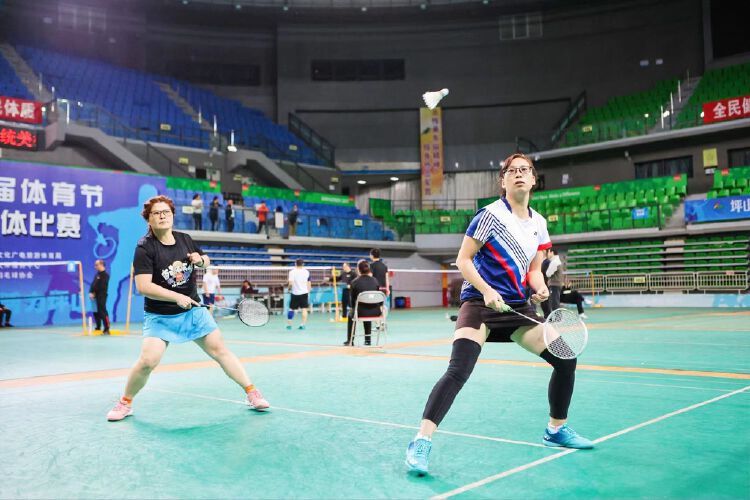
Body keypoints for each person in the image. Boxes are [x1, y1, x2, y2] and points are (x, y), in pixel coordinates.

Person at [404, 153, 593, 476]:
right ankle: (421, 441)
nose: (519, 174)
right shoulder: (489, 215)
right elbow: (463, 260)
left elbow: (534, 268)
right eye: (512, 170)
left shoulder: (539, 223)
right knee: (458, 369)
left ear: (533, 179)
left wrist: (540, 287)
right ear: (503, 180)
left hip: (517, 307)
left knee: (566, 359)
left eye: (525, 170)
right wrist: (487, 290)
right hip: (480, 303)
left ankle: (556, 429)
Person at [105, 195, 269, 422]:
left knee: (220, 350)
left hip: (193, 311)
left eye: (166, 212)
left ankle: (252, 392)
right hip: (160, 315)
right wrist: (176, 297)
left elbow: (206, 260)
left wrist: (200, 260)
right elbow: (143, 286)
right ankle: (125, 403)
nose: (162, 216)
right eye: (156, 213)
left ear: (172, 215)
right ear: (149, 219)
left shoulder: (185, 239)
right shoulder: (144, 248)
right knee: (147, 361)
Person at [344, 260, 383, 346]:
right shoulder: (375, 281)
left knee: (351, 313)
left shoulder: (354, 282)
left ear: (358, 269)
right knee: (368, 307)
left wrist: (353, 308)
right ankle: (368, 340)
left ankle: (350, 340)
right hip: (376, 312)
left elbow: (352, 302)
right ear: (369, 269)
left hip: (360, 312)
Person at [286, 258, 311, 330]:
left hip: (295, 293)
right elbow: (309, 283)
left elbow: (290, 283)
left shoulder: (292, 272)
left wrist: (289, 289)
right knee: (304, 309)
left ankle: (289, 325)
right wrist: (308, 291)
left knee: (291, 309)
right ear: (303, 264)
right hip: (304, 293)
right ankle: (302, 325)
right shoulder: (307, 272)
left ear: (295, 263)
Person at [89, 259, 110, 335]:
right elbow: (93, 284)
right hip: (95, 296)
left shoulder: (105, 275)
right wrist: (91, 292)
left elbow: (101, 286)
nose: (95, 267)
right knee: (96, 312)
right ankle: (98, 327)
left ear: (101, 265)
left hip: (102, 296)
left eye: (96, 265)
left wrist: (94, 292)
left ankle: (107, 328)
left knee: (102, 311)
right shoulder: (97, 275)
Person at [545, 248, 564, 315]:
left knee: (554, 302)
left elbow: (548, 274)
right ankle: (557, 317)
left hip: (554, 284)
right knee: (555, 302)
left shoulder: (554, 262)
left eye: (548, 252)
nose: (547, 254)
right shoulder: (556, 261)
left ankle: (558, 318)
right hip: (556, 284)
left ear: (552, 252)